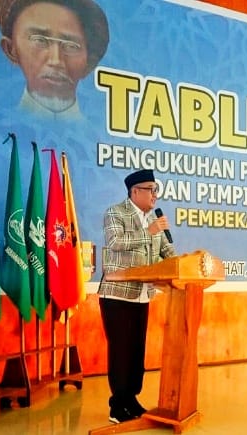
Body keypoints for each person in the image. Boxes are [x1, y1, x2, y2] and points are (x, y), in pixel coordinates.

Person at [98, 169, 176, 424]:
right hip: (117, 296)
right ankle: (117, 406)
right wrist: (149, 231)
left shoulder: (153, 219)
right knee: (121, 352)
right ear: (135, 191)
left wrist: (181, 264)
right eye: (151, 190)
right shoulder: (115, 212)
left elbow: (167, 252)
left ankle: (131, 399)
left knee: (136, 353)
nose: (155, 195)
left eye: (156, 190)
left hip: (142, 295)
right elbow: (115, 241)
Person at [0, 0, 109, 121]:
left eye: (71, 46)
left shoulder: (93, 130)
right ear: (10, 49)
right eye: (40, 40)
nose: (56, 61)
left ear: (89, 63)